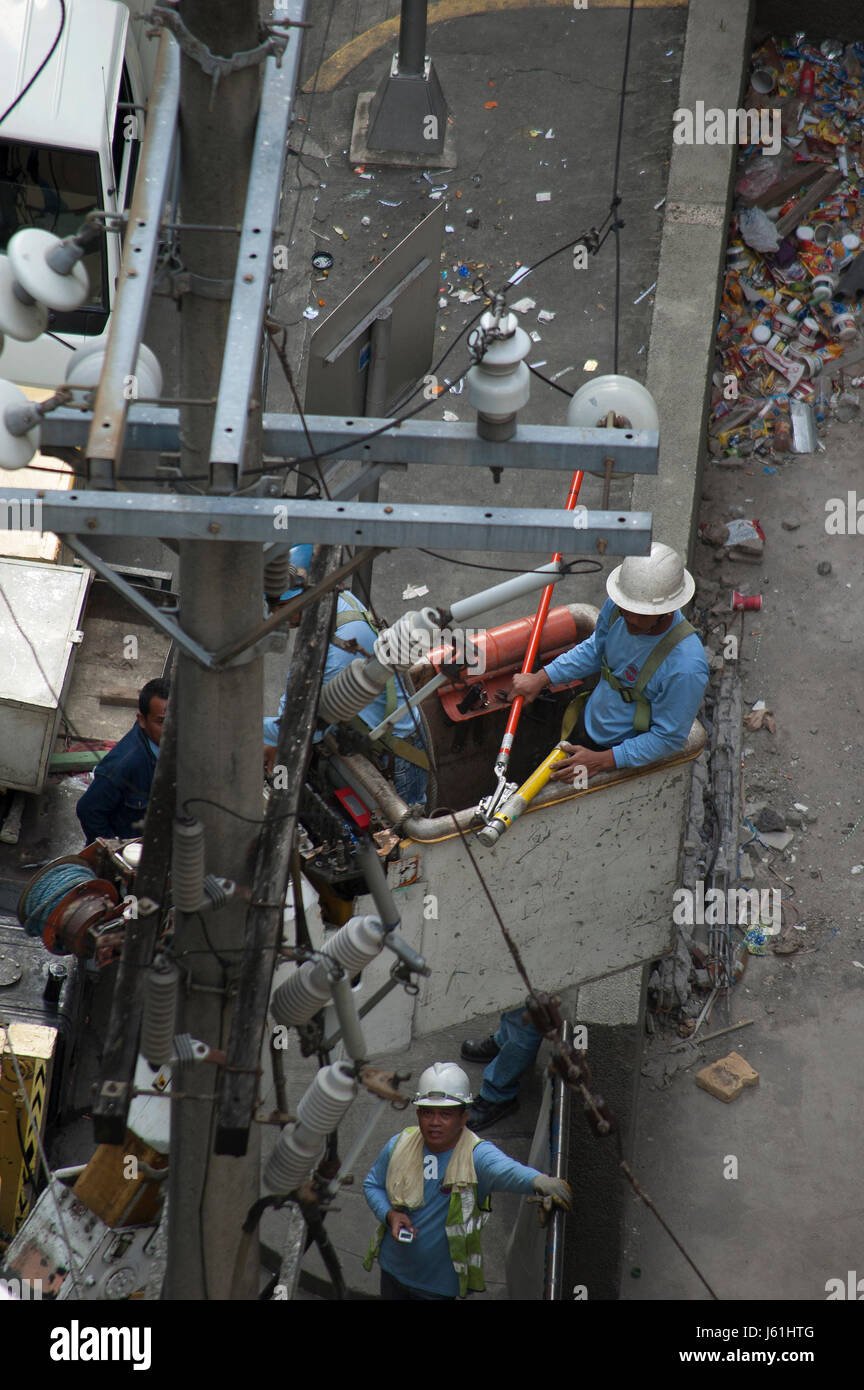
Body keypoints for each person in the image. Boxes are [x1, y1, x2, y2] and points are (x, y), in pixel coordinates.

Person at [464, 542, 710, 1130]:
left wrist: (600, 764)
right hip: (581, 745)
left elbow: (668, 742)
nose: (625, 618)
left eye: (636, 614)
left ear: (666, 610)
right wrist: (540, 679)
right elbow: (595, 650)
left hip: (612, 778)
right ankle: (504, 1039)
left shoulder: (685, 664)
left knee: (539, 955)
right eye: (622, 608)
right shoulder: (617, 613)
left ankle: (499, 1089)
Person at [363, 1062, 571, 1300]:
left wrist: (542, 1182)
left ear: (464, 1117)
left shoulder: (476, 1156)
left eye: (446, 1114)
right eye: (428, 1112)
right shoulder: (399, 1145)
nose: (435, 1122)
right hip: (392, 1272)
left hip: (438, 1289)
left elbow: (508, 1171)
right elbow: (372, 1185)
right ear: (418, 1113)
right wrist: (390, 1215)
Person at [263, 545, 429, 807]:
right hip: (373, 733)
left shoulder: (339, 650)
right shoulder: (335, 601)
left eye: (282, 606)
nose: (275, 615)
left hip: (395, 756)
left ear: (306, 596)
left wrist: (248, 732)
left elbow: (303, 728)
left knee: (404, 834)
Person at [76, 678, 169, 844]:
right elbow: (88, 810)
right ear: (142, 720)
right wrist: (115, 851)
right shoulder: (122, 766)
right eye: (161, 722)